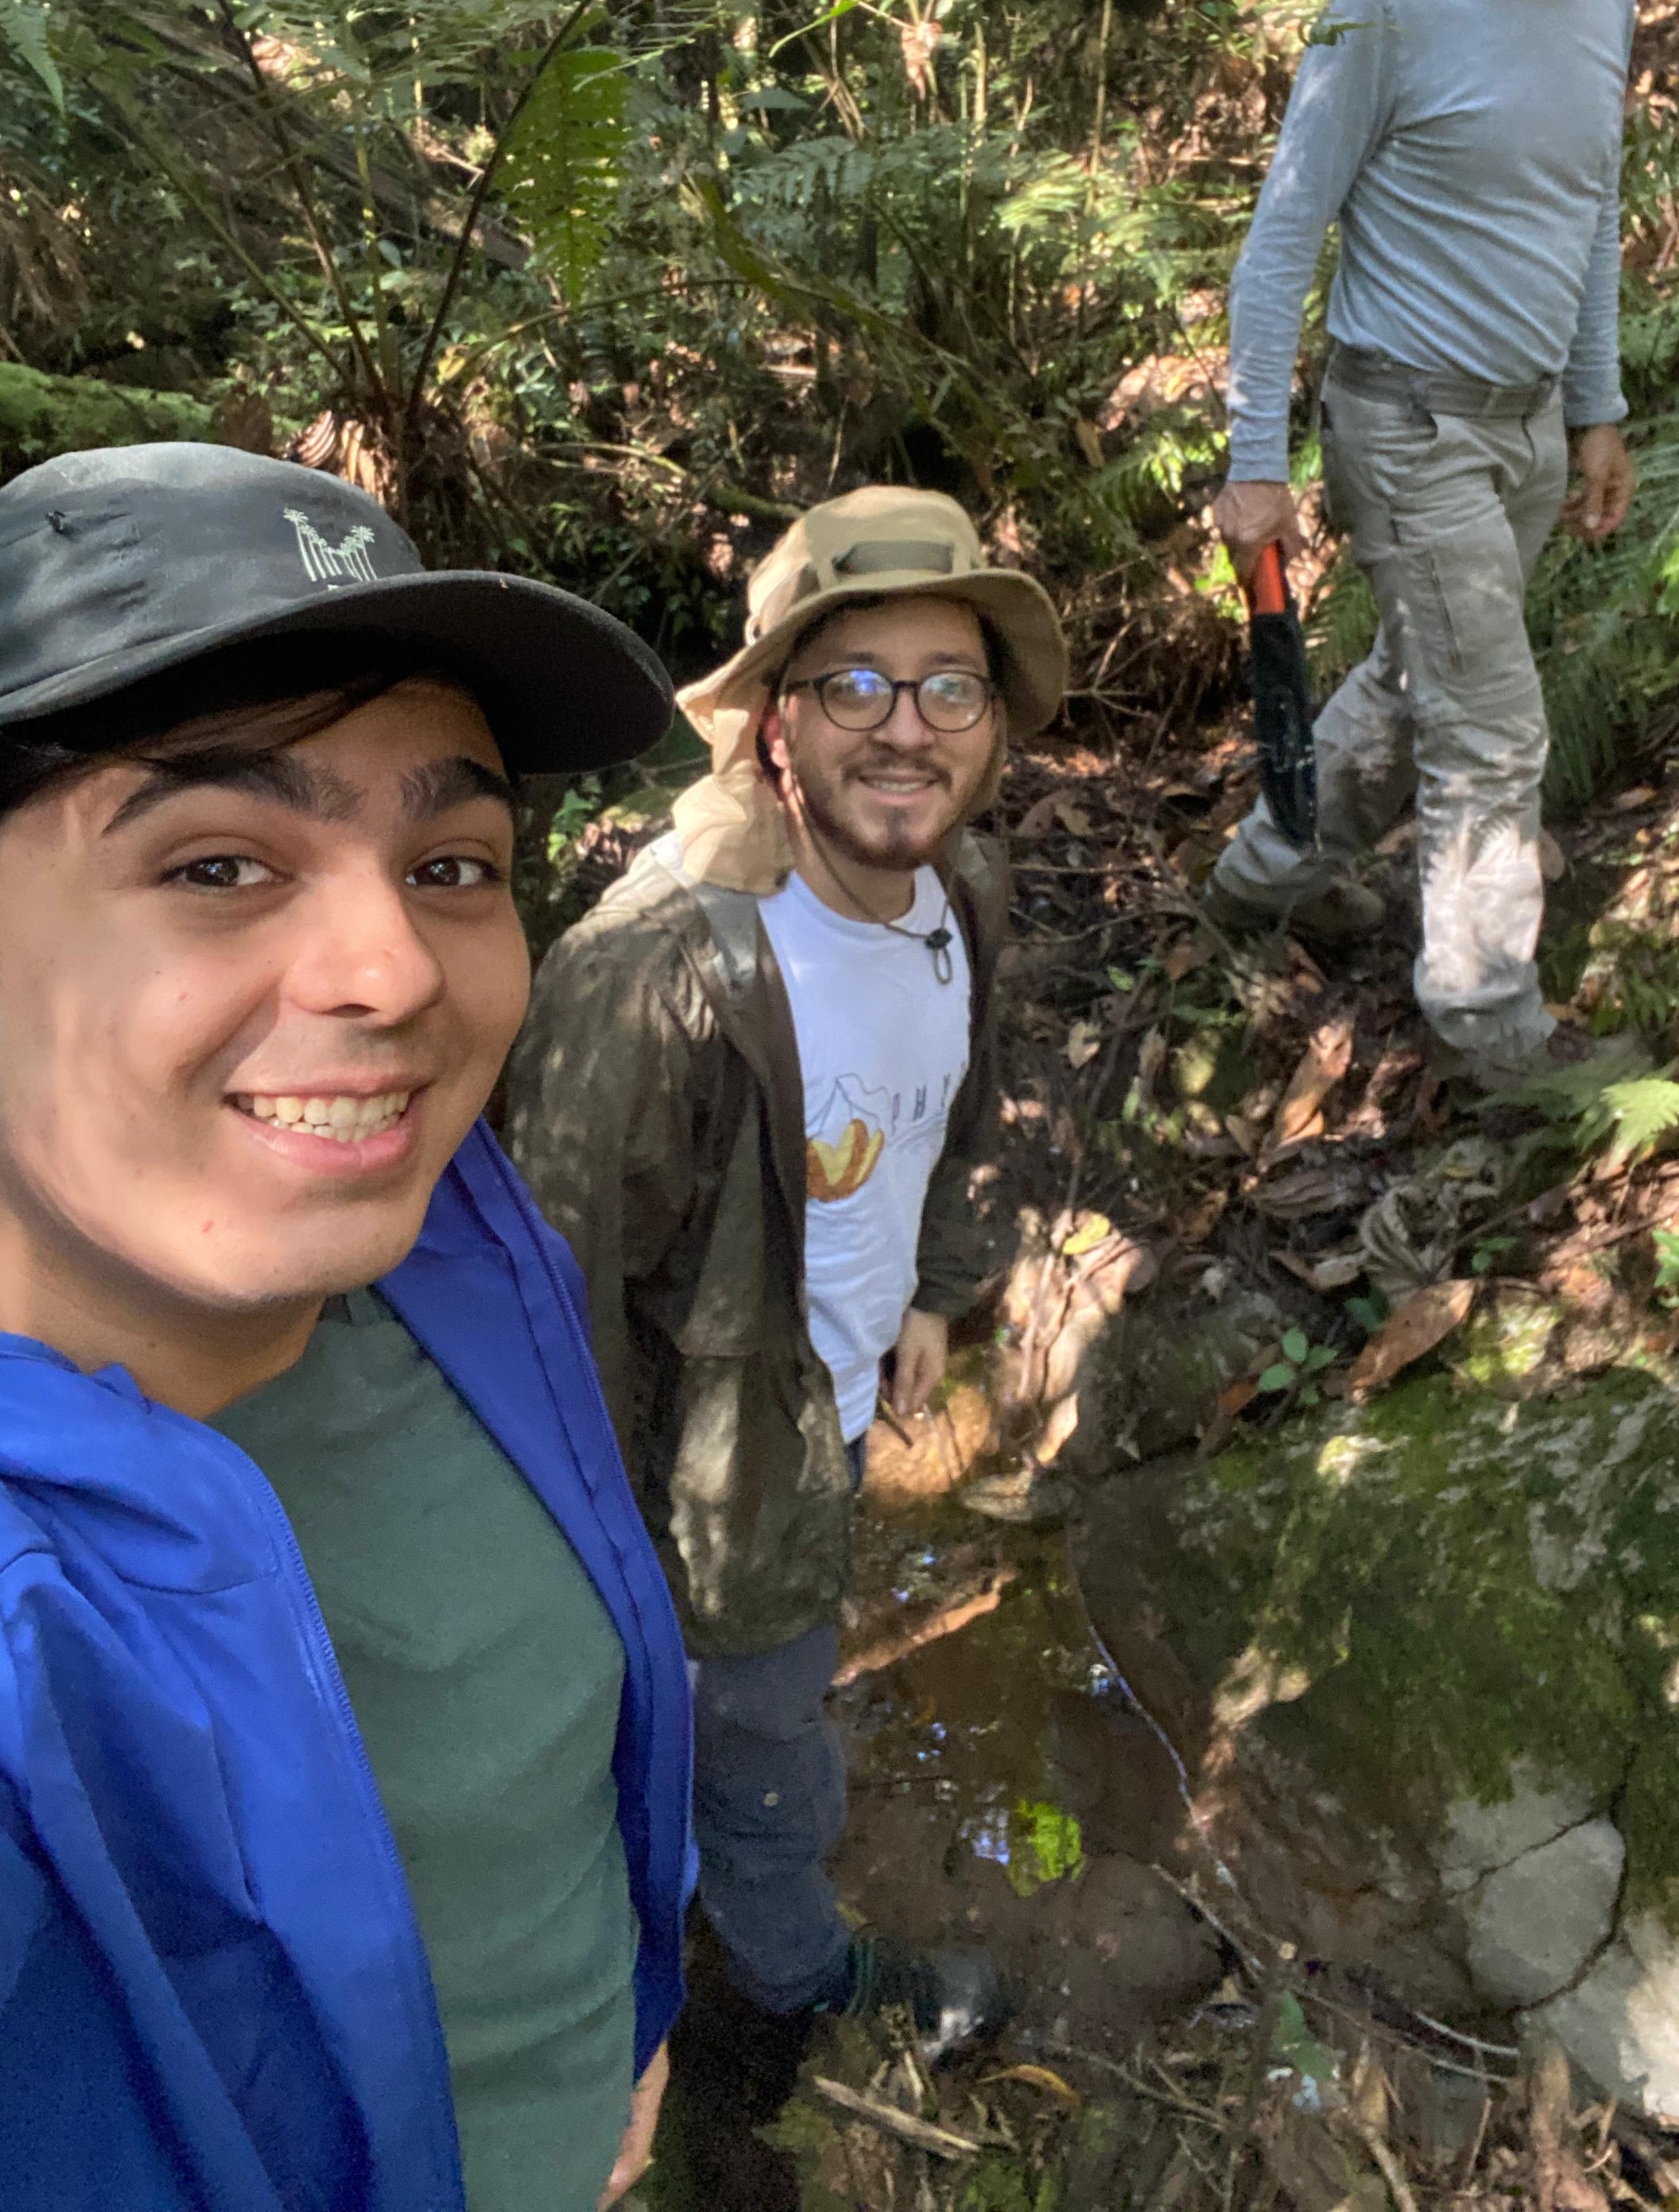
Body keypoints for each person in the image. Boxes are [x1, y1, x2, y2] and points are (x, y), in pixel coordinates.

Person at [0, 442, 694, 2212]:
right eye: (220, 865)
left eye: (453, 862)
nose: (393, 972)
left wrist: (619, 2022)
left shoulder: (422, 1212)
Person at [504, 486, 1066, 2130]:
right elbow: (546, 1299)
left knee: (748, 1711)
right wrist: (588, 1571)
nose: (908, 730)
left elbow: (951, 1114)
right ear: (773, 729)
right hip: (694, 1463)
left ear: (995, 725)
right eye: (855, 686)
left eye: (948, 686)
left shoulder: (959, 889)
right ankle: (784, 1978)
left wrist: (930, 1297)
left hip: (817, 1400)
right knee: (760, 1743)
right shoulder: (660, 980)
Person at [1207, 0, 1643, 1087]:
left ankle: (1259, 881)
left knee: (1414, 685)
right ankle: (1490, 1031)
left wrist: (1596, 407)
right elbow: (1279, 244)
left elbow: (1587, 207)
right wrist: (1256, 463)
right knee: (1497, 732)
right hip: (1405, 422)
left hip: (1521, 427)